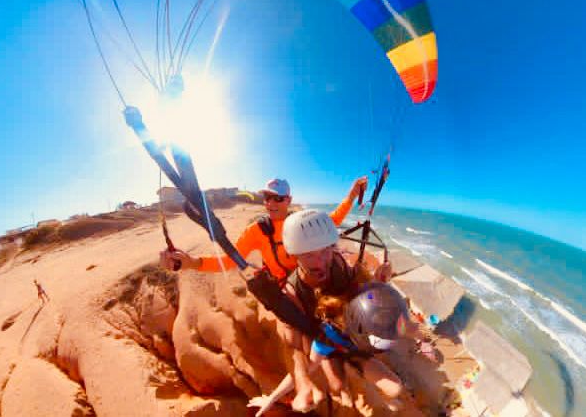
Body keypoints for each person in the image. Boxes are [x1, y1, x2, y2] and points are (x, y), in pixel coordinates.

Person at [253, 209, 403, 414]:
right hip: (322, 340)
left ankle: (353, 370)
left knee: (394, 388)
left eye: (325, 251)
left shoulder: (338, 263)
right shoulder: (293, 293)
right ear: (294, 255)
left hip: (355, 342)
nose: (321, 262)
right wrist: (275, 397)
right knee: (337, 386)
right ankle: (342, 373)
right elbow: (297, 354)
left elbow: (359, 293)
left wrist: (378, 282)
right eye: (309, 255)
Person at [160, 176, 368, 282]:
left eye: (277, 198)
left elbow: (332, 220)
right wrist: (191, 263)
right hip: (286, 286)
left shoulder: (301, 222)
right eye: (267, 197)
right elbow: (230, 260)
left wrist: (351, 196)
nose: (271, 203)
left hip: (310, 276)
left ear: (288, 200)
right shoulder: (258, 230)